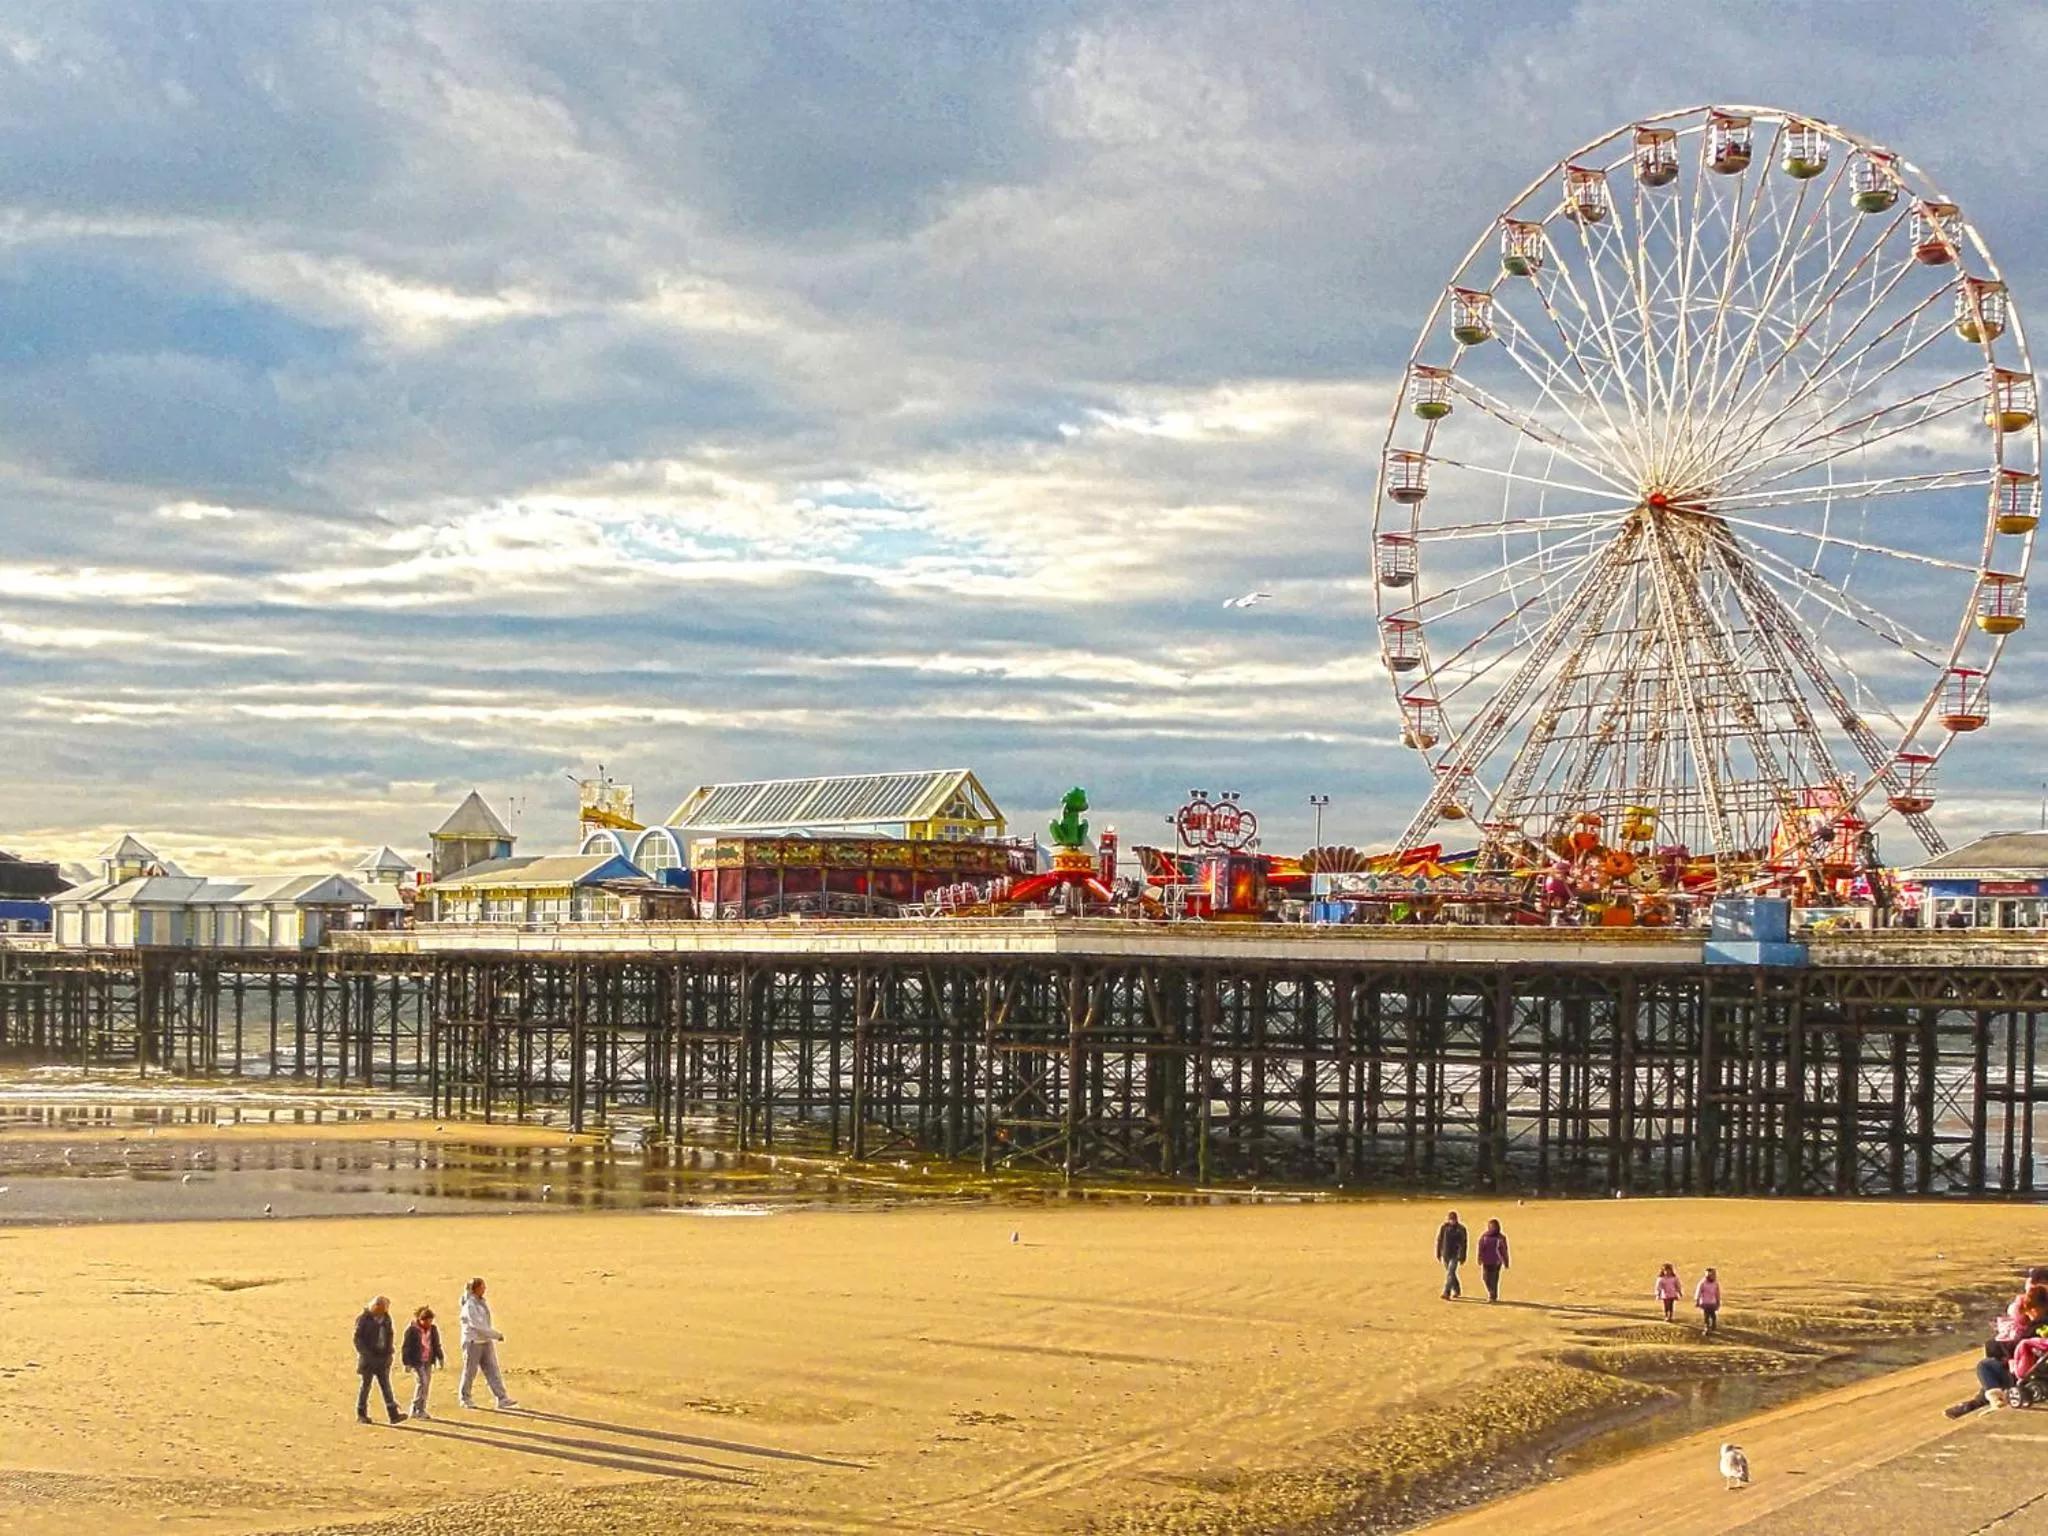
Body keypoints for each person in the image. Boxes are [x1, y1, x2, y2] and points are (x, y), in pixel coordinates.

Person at [458, 1276, 519, 1410]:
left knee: (492, 1370)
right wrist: (495, 1335)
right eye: (482, 1286)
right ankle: (465, 1398)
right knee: (470, 1371)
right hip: (473, 1342)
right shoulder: (470, 1305)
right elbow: (477, 1325)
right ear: (475, 1289)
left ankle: (502, 1398)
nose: (484, 1289)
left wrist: (490, 1336)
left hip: (485, 1341)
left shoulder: (481, 1302)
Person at [353, 1295, 403, 1425]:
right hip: (368, 1360)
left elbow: (390, 1334)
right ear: (375, 1306)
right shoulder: (363, 1319)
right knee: (366, 1386)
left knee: (386, 1386)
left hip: (382, 1358)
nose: (384, 1312)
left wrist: (389, 1352)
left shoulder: (386, 1318)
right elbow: (357, 1339)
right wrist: (366, 1355)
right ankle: (361, 1414)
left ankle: (393, 1414)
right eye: (382, 1309)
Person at [401, 1304, 446, 1420]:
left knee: (425, 1385)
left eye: (430, 1321)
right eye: (426, 1321)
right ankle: (416, 1408)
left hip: (428, 1361)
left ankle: (420, 1409)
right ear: (420, 1320)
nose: (429, 1323)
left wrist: (440, 1358)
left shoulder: (433, 1329)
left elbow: (436, 1345)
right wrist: (406, 1363)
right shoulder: (412, 1330)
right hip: (417, 1361)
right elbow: (406, 1347)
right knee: (423, 1383)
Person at [1435, 1210, 1468, 1300]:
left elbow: (1464, 1243)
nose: (1452, 1221)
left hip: (1455, 1255)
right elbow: (1439, 1240)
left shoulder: (1461, 1229)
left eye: (1453, 1219)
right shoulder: (1444, 1228)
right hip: (1446, 1254)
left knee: (1450, 1272)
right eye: (1450, 1219)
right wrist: (1438, 1252)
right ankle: (1457, 1290)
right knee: (1451, 1273)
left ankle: (1446, 1292)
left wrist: (1462, 1256)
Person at [1476, 1219, 1509, 1303]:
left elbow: (1504, 1250)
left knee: (1494, 1279)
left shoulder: (1501, 1238)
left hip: (1496, 1262)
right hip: (1486, 1261)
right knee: (1485, 1278)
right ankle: (1492, 1292)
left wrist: (1506, 1261)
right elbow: (1480, 1248)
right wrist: (1479, 1258)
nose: (1493, 1228)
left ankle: (1493, 1296)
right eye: (1491, 1227)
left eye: (1494, 1227)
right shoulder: (1484, 1237)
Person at [1695, 1266, 1722, 1334]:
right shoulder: (1702, 1283)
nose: (1713, 1277)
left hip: (1712, 1302)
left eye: (1713, 1275)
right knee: (1706, 1316)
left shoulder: (1716, 1283)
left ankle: (1713, 1326)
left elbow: (1717, 1293)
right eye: (1711, 1275)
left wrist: (1718, 1301)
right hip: (1705, 1302)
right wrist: (1697, 1300)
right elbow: (1698, 1291)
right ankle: (1706, 1327)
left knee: (1713, 1315)